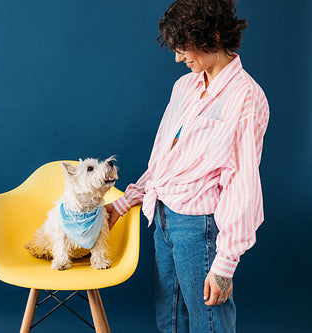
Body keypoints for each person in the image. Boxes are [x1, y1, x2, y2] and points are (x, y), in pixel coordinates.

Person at [105, 0, 269, 332]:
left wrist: (224, 265)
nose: (179, 58)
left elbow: (242, 183)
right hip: (162, 217)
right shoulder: (184, 87)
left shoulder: (245, 97)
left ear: (215, 35)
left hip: (198, 227)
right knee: (170, 319)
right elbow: (165, 162)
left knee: (209, 321)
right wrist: (124, 203)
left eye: (185, 48)